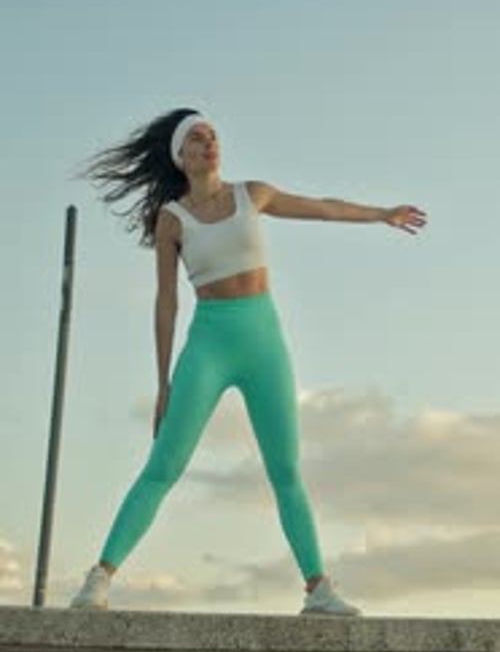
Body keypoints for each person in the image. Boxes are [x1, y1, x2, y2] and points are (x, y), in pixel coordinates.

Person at [70, 107, 427, 615]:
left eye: (213, 134)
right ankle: (98, 579)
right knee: (163, 467)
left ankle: (318, 589)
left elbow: (323, 208)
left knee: (286, 470)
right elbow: (166, 302)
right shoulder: (172, 219)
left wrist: (381, 213)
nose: (209, 141)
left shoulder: (251, 194)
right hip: (209, 344)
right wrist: (163, 381)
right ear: (181, 156)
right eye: (196, 138)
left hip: (264, 342)